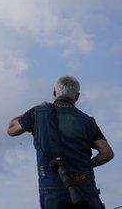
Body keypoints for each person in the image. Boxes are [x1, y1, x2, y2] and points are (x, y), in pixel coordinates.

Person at [7, 76, 114, 209]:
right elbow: (107, 153)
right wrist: (84, 166)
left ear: (54, 92)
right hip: (85, 188)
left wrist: (29, 113)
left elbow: (11, 130)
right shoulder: (88, 121)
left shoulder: (38, 113)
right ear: (77, 97)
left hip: (53, 191)